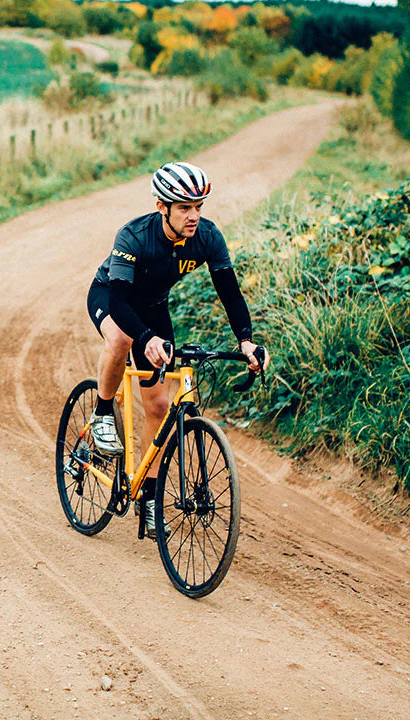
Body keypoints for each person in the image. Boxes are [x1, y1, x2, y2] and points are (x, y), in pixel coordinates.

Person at [87, 161, 268, 537]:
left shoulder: (208, 237)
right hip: (112, 297)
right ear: (162, 207)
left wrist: (246, 341)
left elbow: (230, 293)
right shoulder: (134, 236)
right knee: (120, 339)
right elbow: (119, 302)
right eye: (185, 208)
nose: (194, 216)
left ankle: (149, 500)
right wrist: (146, 339)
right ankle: (103, 412)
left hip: (154, 308)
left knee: (158, 408)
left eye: (198, 207)